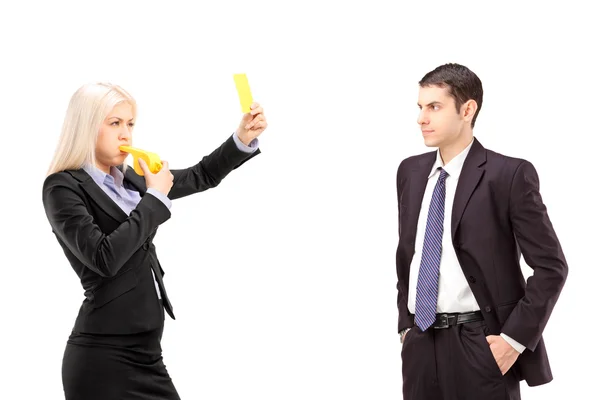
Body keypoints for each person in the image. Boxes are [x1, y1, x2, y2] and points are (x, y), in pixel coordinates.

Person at [42, 82, 267, 399]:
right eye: (115, 123)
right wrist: (156, 197)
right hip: (103, 358)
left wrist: (242, 139)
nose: (126, 135)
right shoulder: (62, 188)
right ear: (87, 126)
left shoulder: (132, 179)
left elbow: (200, 175)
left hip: (148, 353)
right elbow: (105, 258)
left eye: (130, 124)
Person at [395, 63, 568, 400]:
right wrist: (406, 325)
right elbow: (409, 256)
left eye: (434, 107)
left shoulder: (508, 175)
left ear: (467, 109)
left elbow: (551, 267)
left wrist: (512, 342)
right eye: (420, 107)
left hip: (479, 345)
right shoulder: (410, 172)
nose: (421, 119)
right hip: (419, 344)